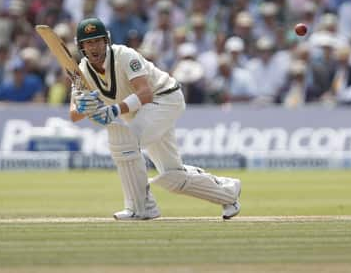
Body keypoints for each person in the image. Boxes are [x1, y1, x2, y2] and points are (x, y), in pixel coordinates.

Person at [70, 17, 241, 220]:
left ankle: (142, 208)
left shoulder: (125, 55)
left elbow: (145, 93)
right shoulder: (81, 73)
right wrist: (83, 106)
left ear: (106, 40)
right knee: (173, 177)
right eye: (89, 42)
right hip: (140, 113)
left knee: (125, 141)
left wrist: (114, 110)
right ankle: (228, 192)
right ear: (82, 46)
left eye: (98, 41)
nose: (95, 47)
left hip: (165, 98)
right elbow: (74, 114)